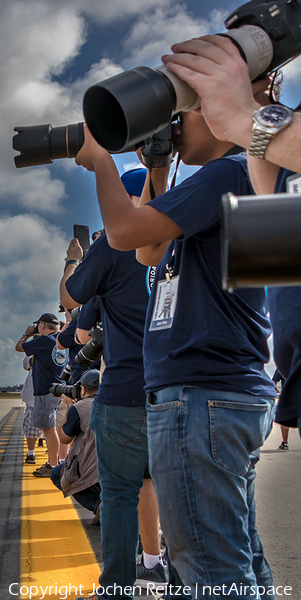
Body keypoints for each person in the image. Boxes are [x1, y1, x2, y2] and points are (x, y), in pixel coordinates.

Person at [75, 97, 277, 599]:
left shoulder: (227, 173)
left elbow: (124, 233)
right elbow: (149, 251)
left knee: (209, 569)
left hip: (201, 394)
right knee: (236, 555)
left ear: (221, 113)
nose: (173, 125)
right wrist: (159, 169)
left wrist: (101, 160)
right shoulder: (239, 175)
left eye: (181, 112)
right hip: (223, 390)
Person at [160, 34, 301, 435]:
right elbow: (270, 195)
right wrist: (257, 119)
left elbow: (128, 236)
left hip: (217, 382)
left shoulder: (225, 171)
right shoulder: (284, 131)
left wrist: (243, 116)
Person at [60, 169, 166, 598]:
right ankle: (163, 567)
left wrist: (74, 257)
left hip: (122, 391)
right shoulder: (181, 231)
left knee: (120, 493)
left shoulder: (114, 244)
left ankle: (118, 586)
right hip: (175, 387)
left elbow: (75, 311)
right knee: (170, 488)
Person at [50, 370, 101, 525]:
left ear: (83, 389)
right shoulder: (115, 403)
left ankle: (97, 504)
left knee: (57, 473)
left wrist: (69, 406)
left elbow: (64, 439)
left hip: (91, 471)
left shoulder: (79, 408)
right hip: (119, 469)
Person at [15, 313, 64, 477]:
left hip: (45, 391)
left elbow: (19, 347)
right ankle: (54, 462)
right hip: (56, 390)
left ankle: (53, 465)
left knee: (49, 430)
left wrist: (27, 334)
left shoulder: (44, 341)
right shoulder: (60, 342)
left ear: (42, 325)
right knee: (51, 429)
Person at [21, 356, 43, 464]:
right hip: (33, 396)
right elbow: (26, 365)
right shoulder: (31, 353)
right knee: (31, 426)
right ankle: (31, 453)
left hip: (47, 394)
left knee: (52, 427)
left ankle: (55, 456)